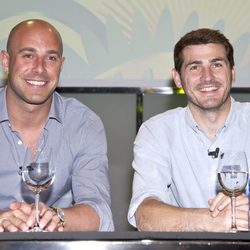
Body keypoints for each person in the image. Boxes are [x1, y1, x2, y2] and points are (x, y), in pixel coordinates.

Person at [128, 28, 250, 232]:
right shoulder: (156, 132)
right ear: (177, 78)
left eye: (217, 65)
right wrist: (211, 220)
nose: (207, 77)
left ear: (232, 72)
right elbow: (145, 215)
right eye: (195, 67)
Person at [0, 19, 113, 232]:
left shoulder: (83, 124)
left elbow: (100, 215)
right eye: (28, 56)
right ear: (6, 61)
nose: (39, 69)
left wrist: (56, 216)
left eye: (50, 58)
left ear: (61, 64)